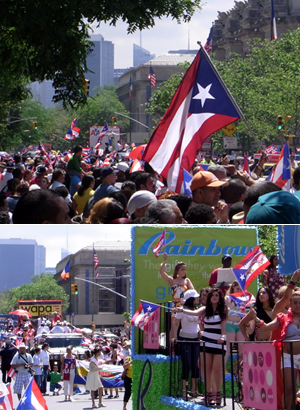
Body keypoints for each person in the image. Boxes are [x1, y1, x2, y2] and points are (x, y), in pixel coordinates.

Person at [247, 278, 300, 410]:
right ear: (290, 303)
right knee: (289, 389)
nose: (298, 305)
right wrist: (256, 318)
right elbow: (266, 327)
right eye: (295, 302)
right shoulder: (283, 317)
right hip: (288, 357)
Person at [175, 288, 228, 406]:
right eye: (213, 295)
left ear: (220, 298)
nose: (215, 297)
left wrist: (223, 337)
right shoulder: (205, 309)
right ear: (209, 298)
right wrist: (181, 310)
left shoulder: (223, 310)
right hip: (205, 342)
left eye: (217, 295)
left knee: (216, 369)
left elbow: (224, 327)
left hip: (218, 342)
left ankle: (218, 393)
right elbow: (194, 313)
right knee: (205, 368)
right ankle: (208, 393)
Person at [170, 289, 200, 399]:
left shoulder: (198, 310)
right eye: (196, 297)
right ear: (191, 299)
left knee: (195, 364)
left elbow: (199, 323)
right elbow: (176, 324)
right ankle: (184, 390)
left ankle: (194, 389)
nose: (197, 299)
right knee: (186, 364)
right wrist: (175, 337)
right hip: (184, 339)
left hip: (195, 338)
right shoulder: (181, 310)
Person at [160, 251, 194, 345]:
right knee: (174, 324)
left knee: (186, 324)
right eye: (182, 269)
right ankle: (172, 345)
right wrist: (164, 260)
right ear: (177, 270)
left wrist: (187, 299)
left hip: (185, 305)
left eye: (185, 269)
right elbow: (162, 272)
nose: (184, 271)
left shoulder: (187, 281)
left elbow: (193, 292)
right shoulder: (172, 280)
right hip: (175, 305)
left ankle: (186, 343)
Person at [224, 281, 245, 368]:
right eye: (237, 288)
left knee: (241, 347)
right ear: (233, 288)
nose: (239, 290)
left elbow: (247, 311)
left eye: (240, 288)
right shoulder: (227, 298)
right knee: (228, 347)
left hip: (240, 325)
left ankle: (241, 369)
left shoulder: (245, 298)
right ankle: (223, 368)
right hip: (230, 324)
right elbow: (225, 313)